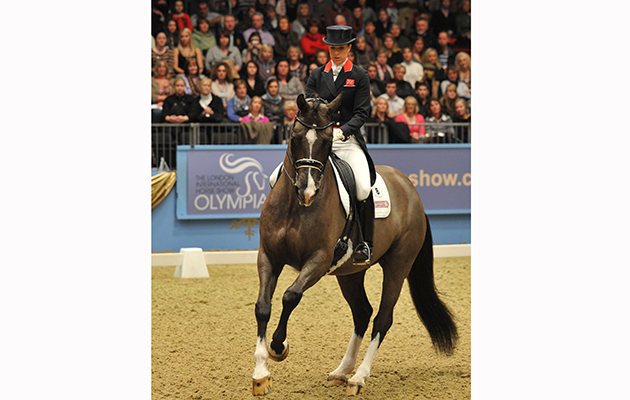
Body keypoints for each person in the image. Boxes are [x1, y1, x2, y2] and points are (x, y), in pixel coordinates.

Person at [304, 25, 376, 264]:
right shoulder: (316, 75)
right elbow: (309, 108)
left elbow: (362, 112)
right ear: (328, 47)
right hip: (319, 141)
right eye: (333, 48)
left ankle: (365, 243)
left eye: (341, 48)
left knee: (363, 188)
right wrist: (323, 132)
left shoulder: (359, 76)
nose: (336, 53)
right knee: (276, 178)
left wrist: (341, 132)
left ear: (349, 48)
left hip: (346, 141)